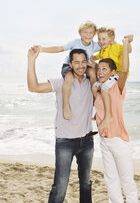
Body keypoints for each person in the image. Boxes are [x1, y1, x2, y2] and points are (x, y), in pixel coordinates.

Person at [27, 47, 96, 203]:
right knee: (60, 187)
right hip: (65, 142)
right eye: (76, 62)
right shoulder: (62, 83)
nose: (81, 65)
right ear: (70, 65)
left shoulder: (91, 83)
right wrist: (31, 60)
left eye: (83, 62)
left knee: (86, 184)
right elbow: (34, 87)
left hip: (87, 141)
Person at [93, 37, 138, 202]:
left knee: (126, 180)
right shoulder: (99, 90)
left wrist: (125, 46)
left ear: (112, 72)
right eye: (99, 69)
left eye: (105, 69)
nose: (100, 72)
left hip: (118, 140)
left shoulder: (116, 87)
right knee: (110, 180)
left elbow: (124, 70)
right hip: (104, 140)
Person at [34, 21, 100, 120]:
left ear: (94, 34)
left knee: (92, 73)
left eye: (91, 33)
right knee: (69, 77)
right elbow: (59, 48)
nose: (88, 35)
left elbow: (107, 45)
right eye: (85, 32)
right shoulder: (75, 42)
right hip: (69, 65)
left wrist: (116, 40)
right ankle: (66, 106)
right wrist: (43, 49)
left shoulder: (94, 45)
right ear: (80, 33)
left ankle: (95, 100)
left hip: (83, 67)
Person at [91, 27, 133, 131]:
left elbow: (129, 50)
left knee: (104, 88)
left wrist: (128, 42)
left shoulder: (118, 47)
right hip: (107, 77)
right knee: (94, 87)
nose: (101, 42)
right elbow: (95, 57)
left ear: (112, 38)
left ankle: (108, 116)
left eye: (104, 39)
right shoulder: (104, 50)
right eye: (99, 39)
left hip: (117, 75)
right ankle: (99, 111)